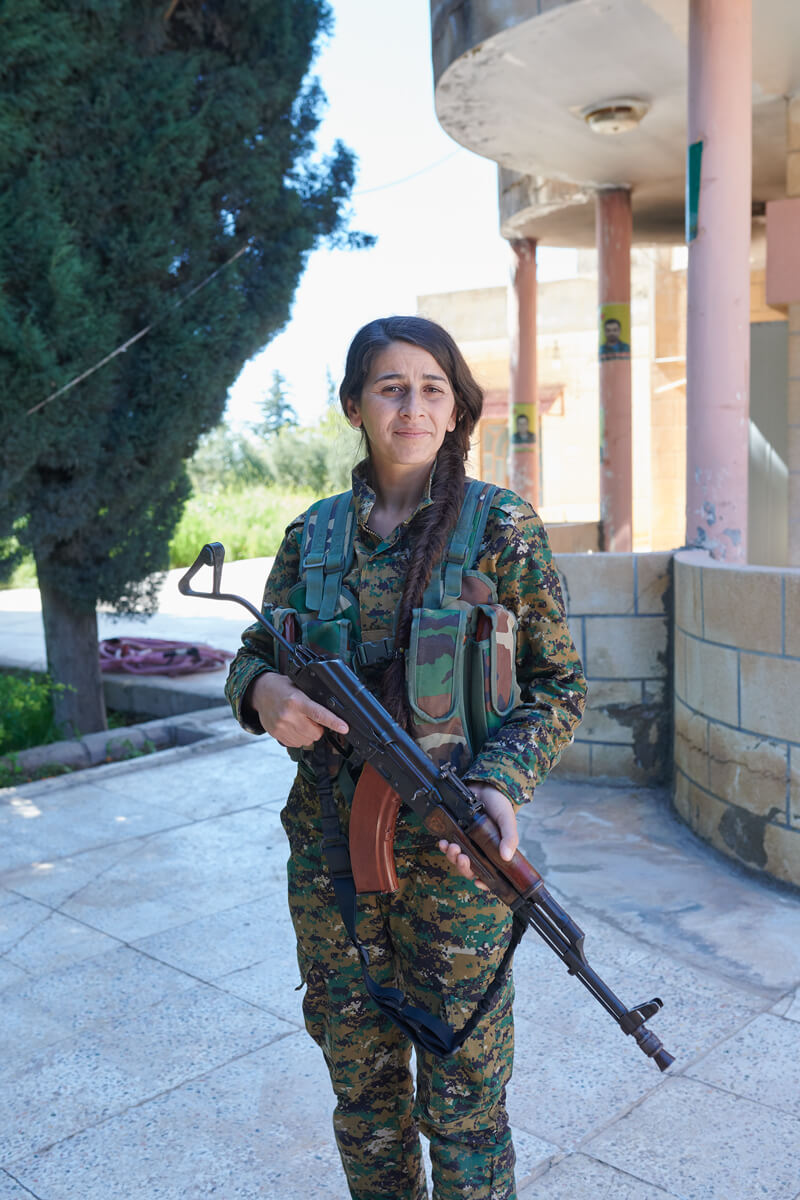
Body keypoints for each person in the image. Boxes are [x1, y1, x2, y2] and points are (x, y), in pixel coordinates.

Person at [225, 315, 586, 1200]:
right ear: (354, 406)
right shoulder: (312, 537)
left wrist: (501, 782)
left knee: (464, 1105)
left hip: (458, 865)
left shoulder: (498, 527)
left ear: (458, 406)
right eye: (390, 387)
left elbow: (559, 686)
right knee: (365, 1099)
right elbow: (255, 652)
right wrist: (264, 695)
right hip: (332, 869)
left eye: (431, 388)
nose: (412, 405)